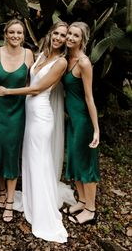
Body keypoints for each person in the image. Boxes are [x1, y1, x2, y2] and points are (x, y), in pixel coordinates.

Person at [0, 21, 75, 242]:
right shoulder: (41, 54)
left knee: (39, 159)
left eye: (63, 36)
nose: (58, 38)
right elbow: (28, 79)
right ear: (50, 34)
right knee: (29, 158)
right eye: (56, 33)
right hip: (27, 113)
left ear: (67, 40)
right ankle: (30, 198)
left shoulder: (60, 62)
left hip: (41, 116)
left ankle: (41, 208)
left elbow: (38, 88)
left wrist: (7, 91)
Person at [0, 19, 34, 223]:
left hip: (16, 110)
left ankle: (11, 200)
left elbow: (32, 81)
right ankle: (2, 189)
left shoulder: (28, 54)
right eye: (11, 32)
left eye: (19, 33)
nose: (15, 36)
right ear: (5, 33)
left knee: (12, 152)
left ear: (23, 36)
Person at [62, 21, 100, 225]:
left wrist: (96, 129)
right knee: (75, 161)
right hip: (72, 120)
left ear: (82, 40)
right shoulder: (67, 58)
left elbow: (89, 97)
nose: (70, 38)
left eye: (75, 36)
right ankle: (83, 200)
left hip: (84, 121)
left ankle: (91, 211)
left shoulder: (84, 63)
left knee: (86, 164)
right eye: (69, 33)